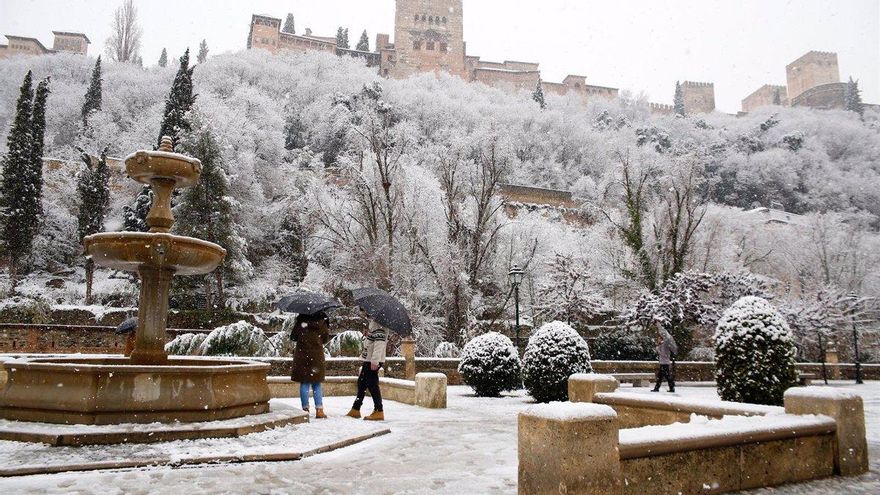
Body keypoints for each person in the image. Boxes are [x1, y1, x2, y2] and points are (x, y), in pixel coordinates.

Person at [346, 311, 388, 421]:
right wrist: (367, 336)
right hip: (369, 360)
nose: (365, 313)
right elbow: (369, 345)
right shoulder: (374, 326)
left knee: (372, 385)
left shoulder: (379, 326)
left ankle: (379, 410)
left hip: (372, 361)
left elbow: (379, 346)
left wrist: (375, 361)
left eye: (367, 312)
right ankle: (356, 408)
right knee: (362, 382)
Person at [291, 311, 331, 418]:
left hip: (302, 356)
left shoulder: (301, 321)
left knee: (304, 383)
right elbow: (325, 339)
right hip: (317, 356)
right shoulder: (322, 322)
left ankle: (305, 410)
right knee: (316, 383)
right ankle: (319, 410)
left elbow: (293, 337)